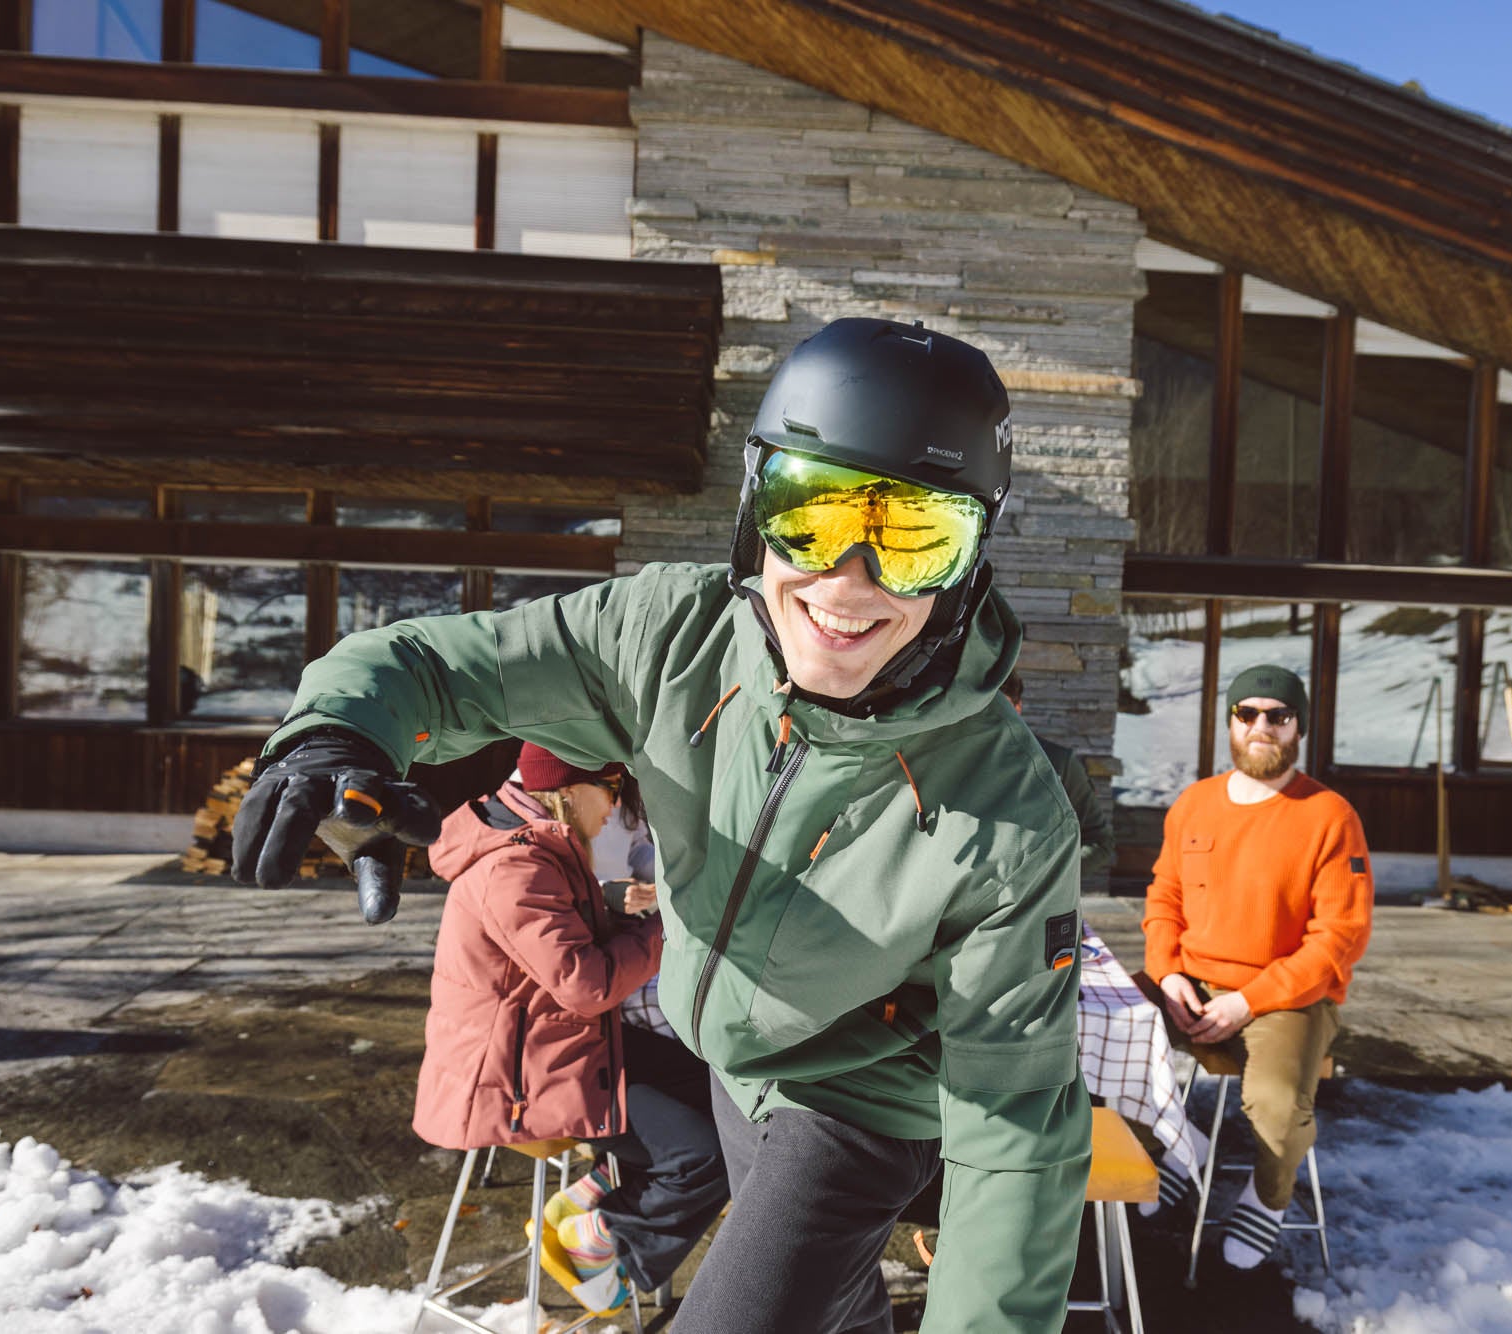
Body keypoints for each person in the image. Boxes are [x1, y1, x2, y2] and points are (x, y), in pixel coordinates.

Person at [231, 317, 1091, 1333]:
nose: (849, 582)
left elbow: (1014, 1124)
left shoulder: (1005, 814)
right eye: (807, 515)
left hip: (857, 1104)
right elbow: (448, 664)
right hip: (728, 1058)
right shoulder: (671, 640)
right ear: (750, 502)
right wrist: (338, 731)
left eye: (913, 536)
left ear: (970, 559)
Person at [414, 744, 726, 1314]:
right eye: (608, 790)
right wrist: (670, 929)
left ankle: (596, 1195)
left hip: (560, 1047)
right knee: (704, 1155)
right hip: (516, 1079)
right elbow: (585, 984)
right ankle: (607, 1247)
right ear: (566, 792)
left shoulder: (541, 845)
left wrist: (620, 910)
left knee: (721, 1093)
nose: (612, 807)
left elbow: (570, 945)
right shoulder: (515, 865)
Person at [1142, 664, 1373, 1271]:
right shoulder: (1194, 804)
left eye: (1278, 715)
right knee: (1078, 1033)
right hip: (1189, 981)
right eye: (1248, 714)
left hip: (1288, 994)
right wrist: (1166, 973)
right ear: (1230, 723)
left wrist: (1248, 1001)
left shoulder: (1330, 816)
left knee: (1273, 1103)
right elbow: (1164, 896)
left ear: (1298, 727)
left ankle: (1268, 1196)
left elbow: (1339, 938)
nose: (1262, 726)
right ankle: (1178, 1143)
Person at [999, 670, 1115, 876]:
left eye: (1002, 708)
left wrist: (1048, 880)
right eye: (983, 711)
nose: (993, 720)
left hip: (1040, 906)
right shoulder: (951, 762)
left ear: (1018, 708)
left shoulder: (1057, 764)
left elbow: (1099, 842)